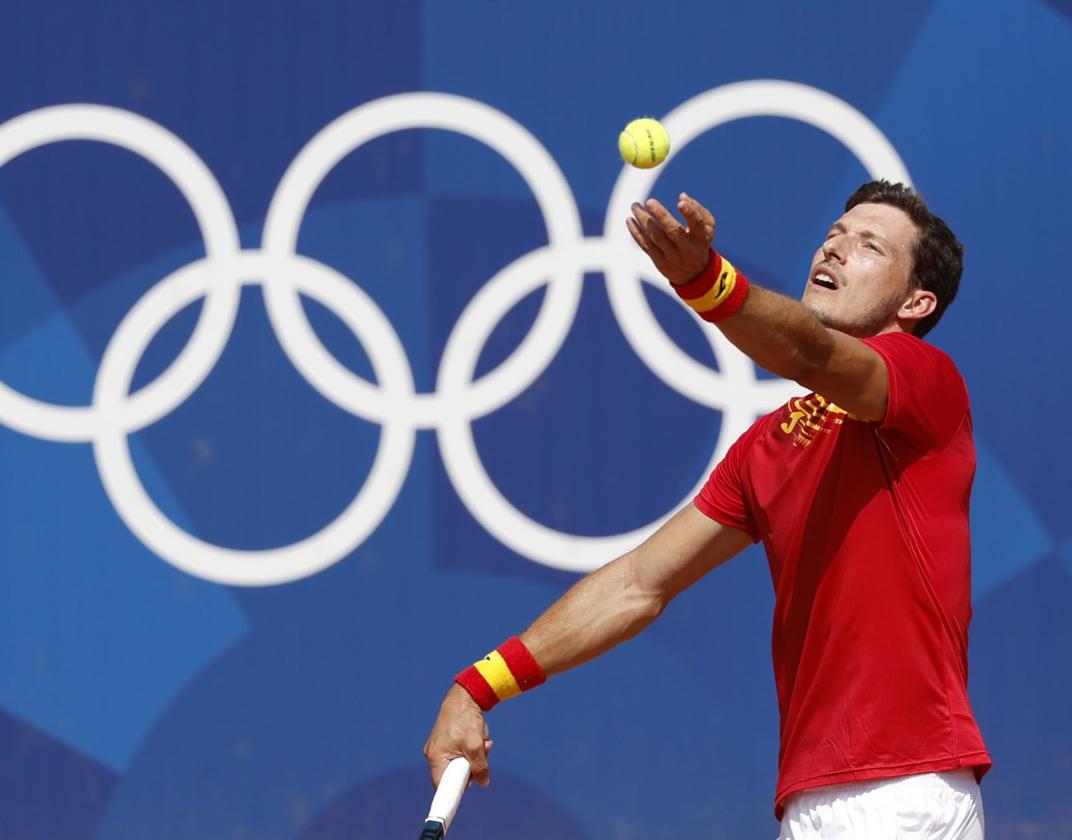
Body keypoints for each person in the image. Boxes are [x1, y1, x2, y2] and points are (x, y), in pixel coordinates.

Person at [423, 180, 991, 838]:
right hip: (811, 796)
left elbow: (811, 351)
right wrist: (480, 685)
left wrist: (707, 282)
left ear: (917, 301)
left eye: (869, 246)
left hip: (907, 784)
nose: (835, 249)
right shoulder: (770, 444)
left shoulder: (925, 380)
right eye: (834, 234)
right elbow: (639, 584)